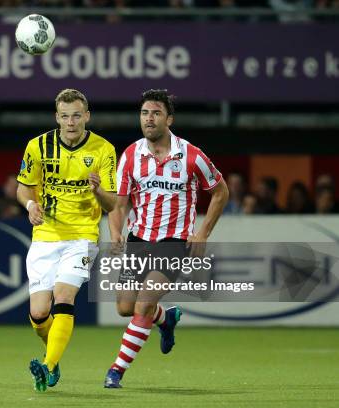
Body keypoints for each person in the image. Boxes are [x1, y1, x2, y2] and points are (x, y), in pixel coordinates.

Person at [104, 89, 228, 388]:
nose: (149, 118)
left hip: (174, 242)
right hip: (138, 239)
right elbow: (120, 204)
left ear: (169, 119)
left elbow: (220, 191)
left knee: (142, 306)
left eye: (156, 113)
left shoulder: (191, 156)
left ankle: (115, 372)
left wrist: (202, 233)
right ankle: (166, 318)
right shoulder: (131, 155)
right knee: (125, 307)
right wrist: (116, 231)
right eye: (145, 112)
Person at [16, 88, 117, 392]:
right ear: (56, 117)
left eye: (76, 115)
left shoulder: (103, 149)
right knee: (38, 314)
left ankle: (46, 368)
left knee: (64, 297)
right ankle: (53, 356)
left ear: (86, 116)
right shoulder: (38, 147)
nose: (71, 122)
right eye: (65, 116)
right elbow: (24, 188)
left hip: (82, 237)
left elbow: (112, 204)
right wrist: (30, 205)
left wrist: (98, 190)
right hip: (45, 236)